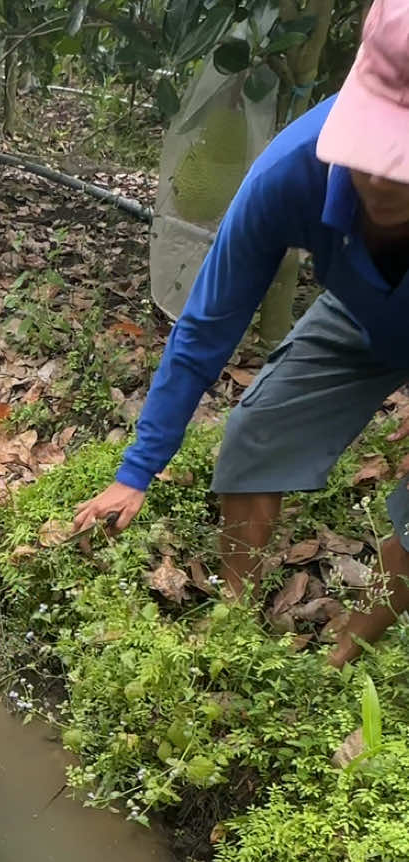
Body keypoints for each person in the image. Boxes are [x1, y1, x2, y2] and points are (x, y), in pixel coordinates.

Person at [72, 0, 409, 667]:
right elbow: (205, 329)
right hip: (364, 305)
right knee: (254, 433)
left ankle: (347, 652)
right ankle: (232, 628)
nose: (377, 177)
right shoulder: (290, 175)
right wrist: (137, 470)